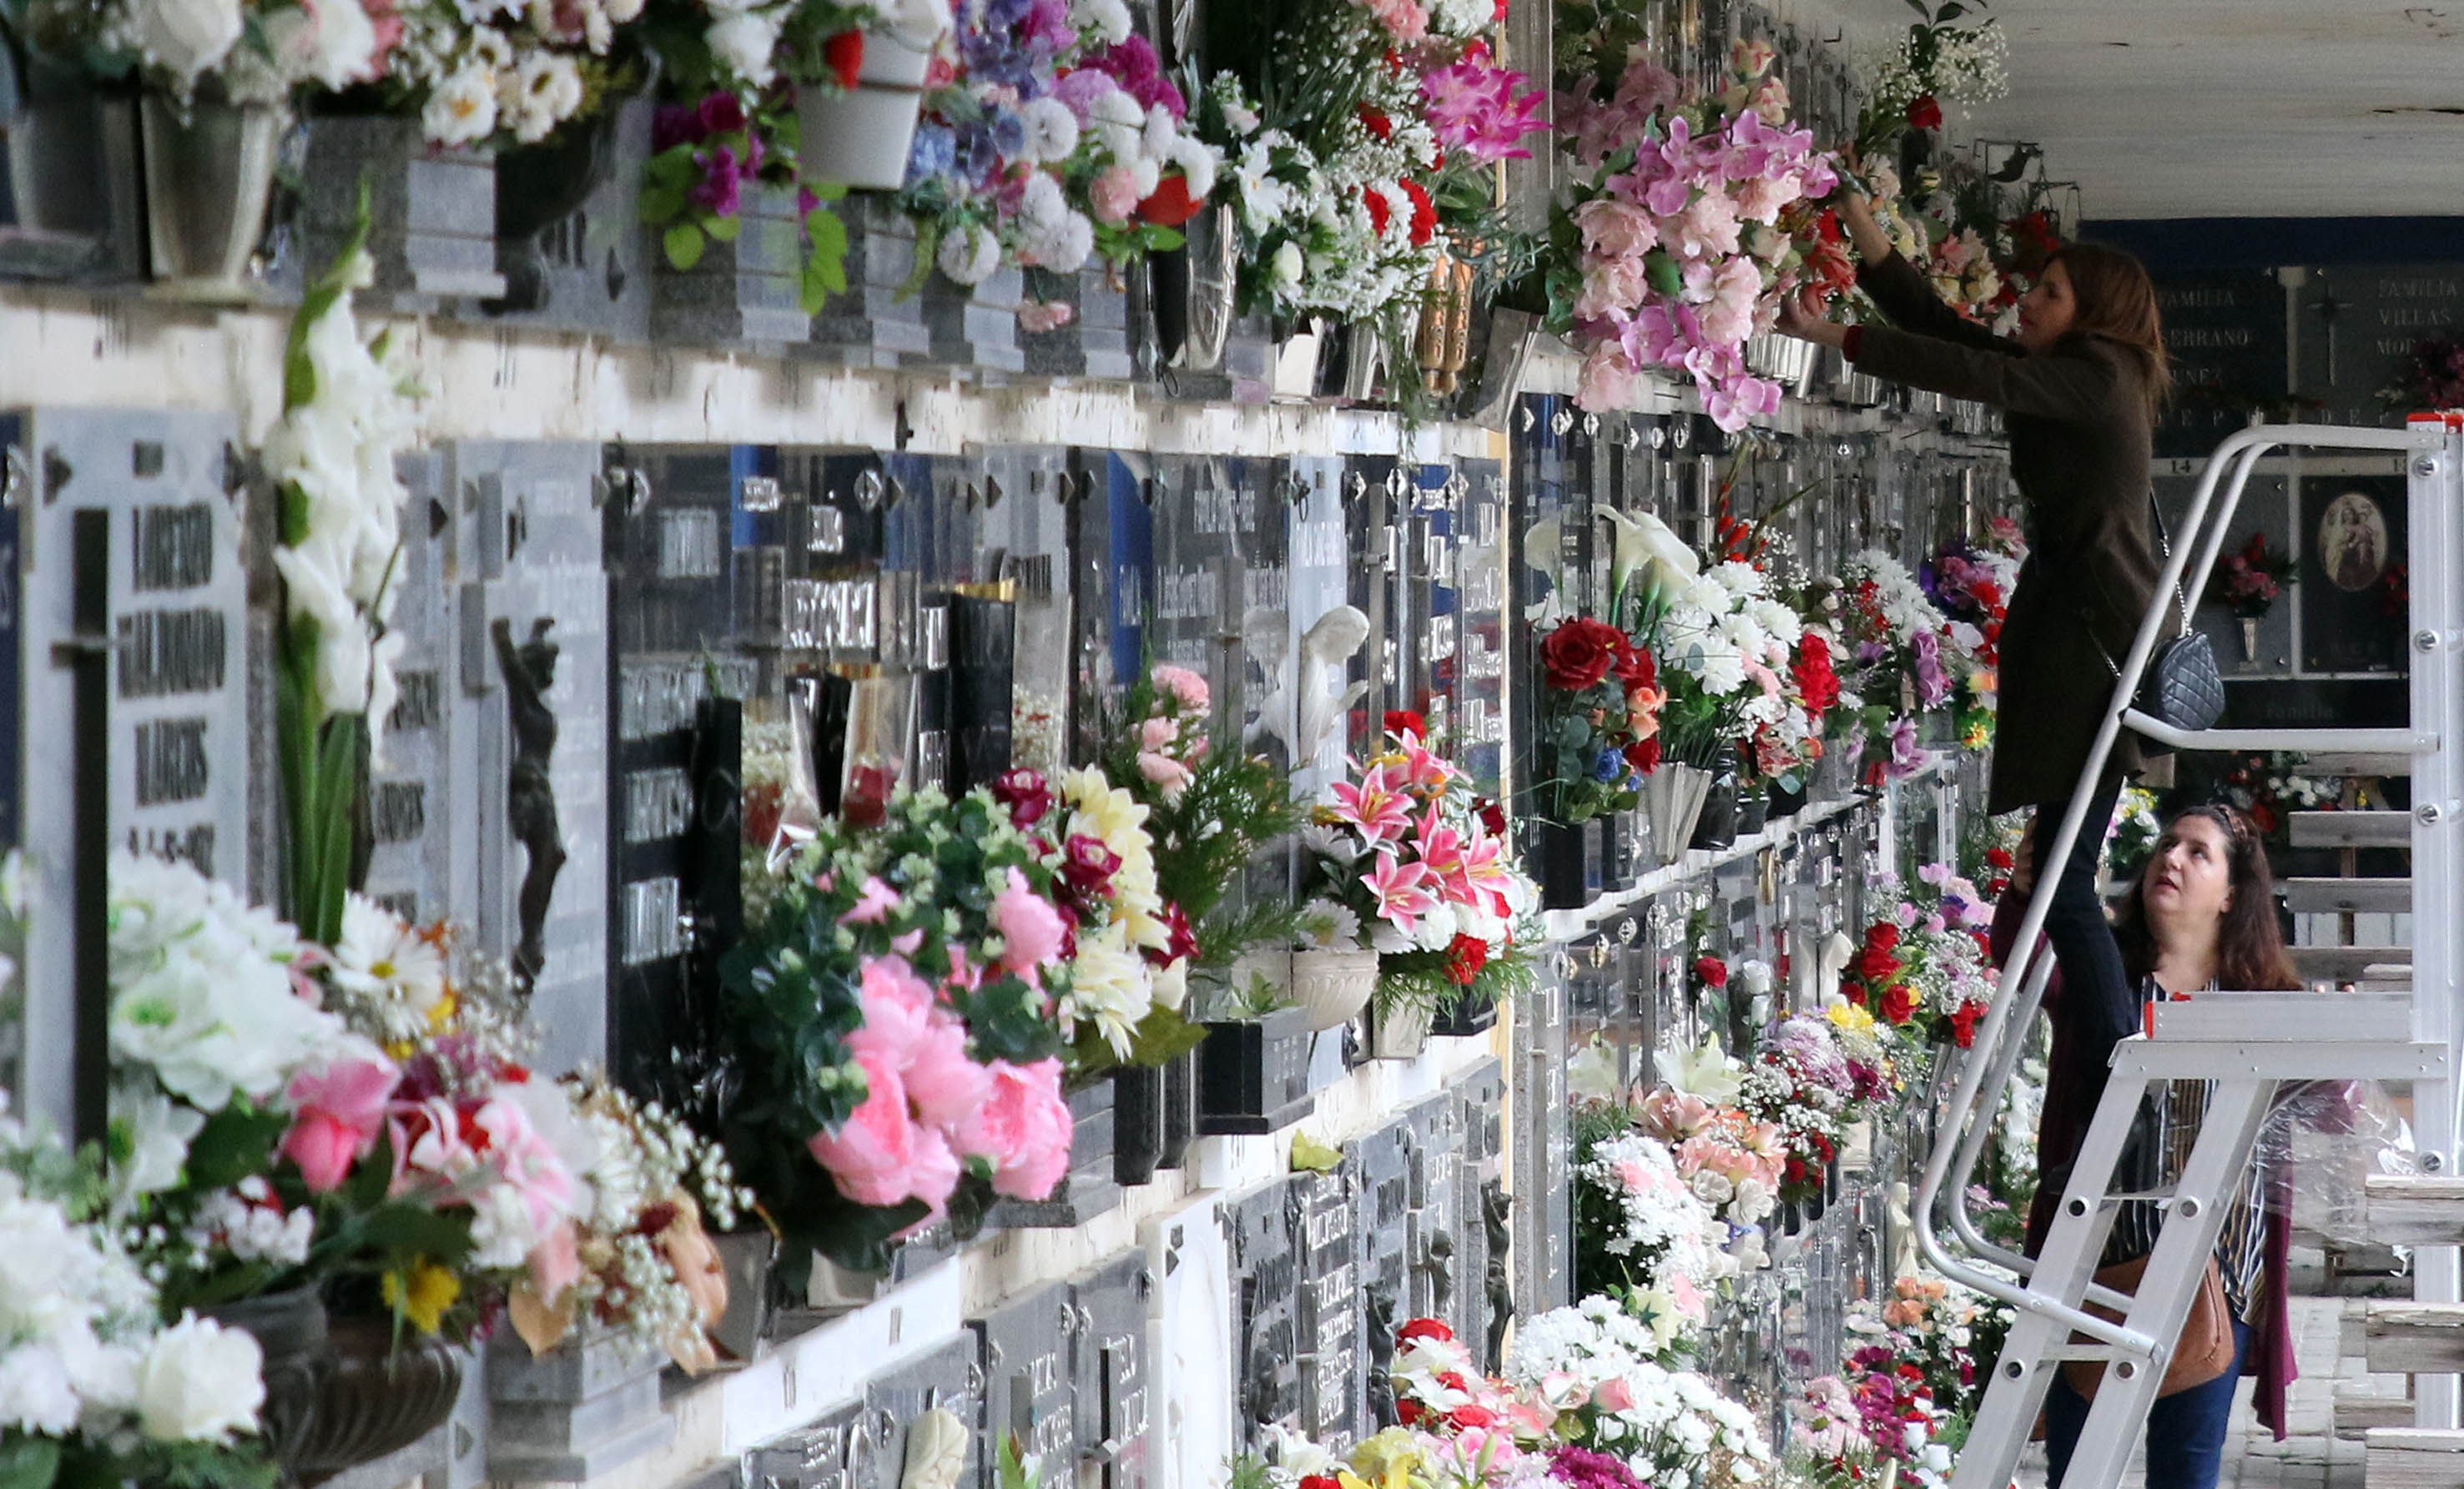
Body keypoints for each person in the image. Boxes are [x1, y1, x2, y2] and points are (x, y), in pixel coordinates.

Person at [1778, 185, 2171, 1040]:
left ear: (2097, 314)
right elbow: (1957, 342)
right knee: (2054, 878)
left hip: (2093, 648)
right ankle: (2114, 1062)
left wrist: (1834, 336)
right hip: (2086, 636)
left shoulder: (2101, 378)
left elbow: (1973, 370)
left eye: (2051, 293)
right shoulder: (2087, 373)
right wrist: (1867, 240)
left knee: (2058, 885)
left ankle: (2114, 1066)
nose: (2027, 302)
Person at [1994, 806, 2307, 1489]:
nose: (2171, 858)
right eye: (2167, 844)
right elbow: (2023, 963)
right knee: (2075, 1470)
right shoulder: (2103, 976)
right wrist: (2025, 892)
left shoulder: (2265, 998)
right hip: (2096, 1267)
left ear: (2230, 893)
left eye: (2198, 853)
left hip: (2216, 1278)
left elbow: (2324, 1112)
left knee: (2186, 1475)